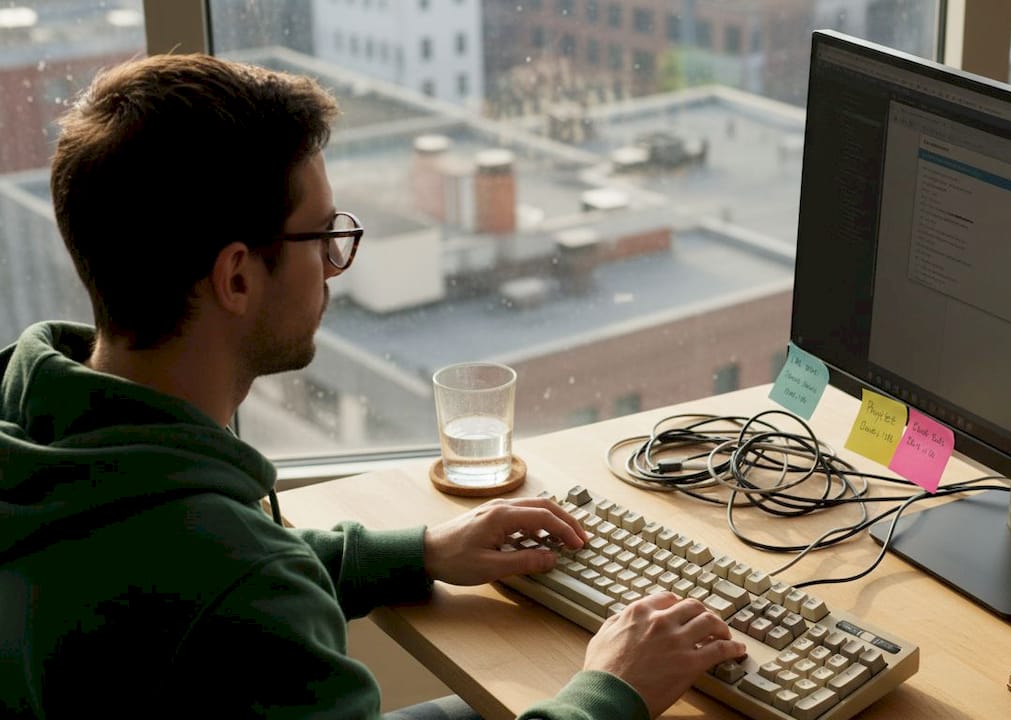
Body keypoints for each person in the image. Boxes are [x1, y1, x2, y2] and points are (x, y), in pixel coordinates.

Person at [0, 53, 744, 719]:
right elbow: (217, 583)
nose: (332, 264)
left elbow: (160, 581)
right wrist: (611, 693)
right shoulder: (240, 587)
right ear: (235, 276)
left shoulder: (35, 430)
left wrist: (417, 552)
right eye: (321, 238)